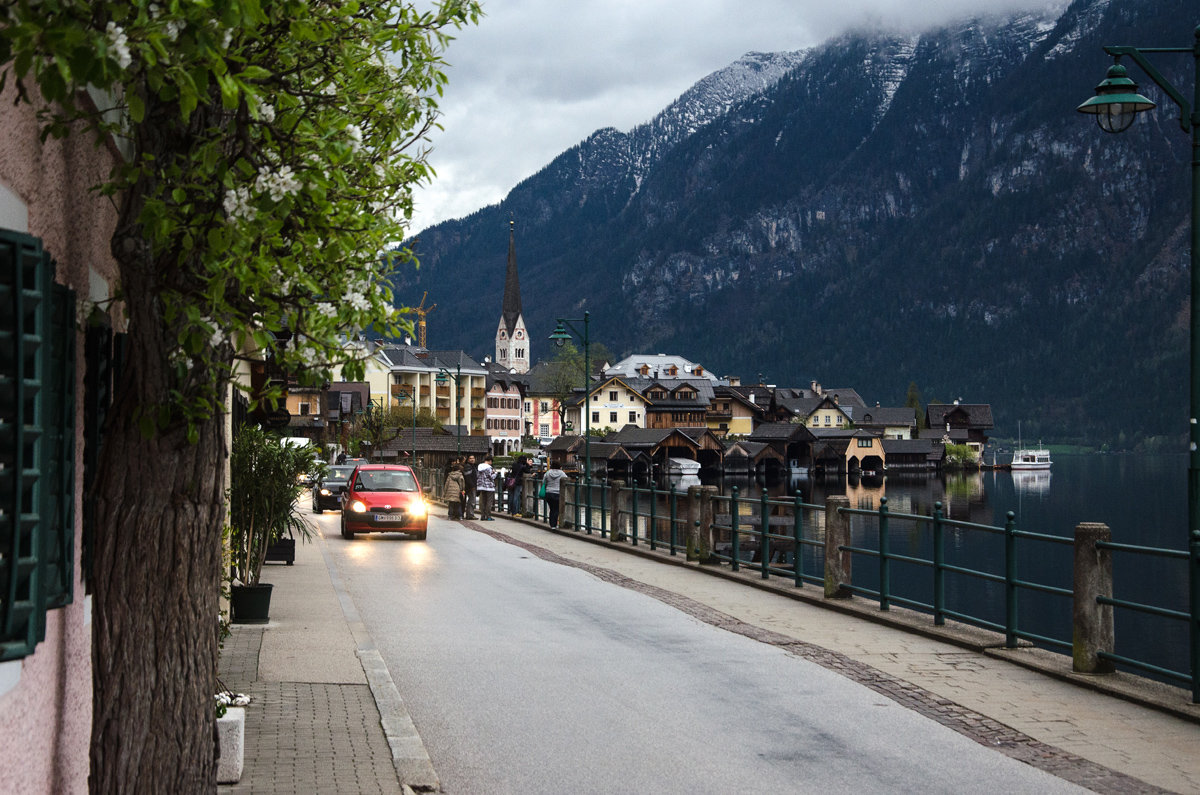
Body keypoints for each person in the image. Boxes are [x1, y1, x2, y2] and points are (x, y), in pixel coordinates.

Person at [542, 462, 567, 529]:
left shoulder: (548, 473)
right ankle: (554, 525)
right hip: (557, 493)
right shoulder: (562, 473)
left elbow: (543, 481)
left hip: (548, 492)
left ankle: (552, 524)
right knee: (556, 509)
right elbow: (566, 480)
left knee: (552, 508)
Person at [476, 454, 497, 520]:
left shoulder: (479, 467)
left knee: (483, 501)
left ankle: (483, 516)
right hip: (489, 486)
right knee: (489, 502)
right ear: (490, 461)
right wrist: (495, 473)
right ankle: (488, 516)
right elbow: (491, 477)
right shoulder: (489, 468)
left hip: (481, 486)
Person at [462, 454, 478, 520]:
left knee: (471, 500)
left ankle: (470, 514)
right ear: (468, 460)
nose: (472, 459)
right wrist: (472, 485)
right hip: (470, 486)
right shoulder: (468, 466)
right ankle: (470, 515)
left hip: (472, 485)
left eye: (473, 458)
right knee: (472, 500)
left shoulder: (473, 466)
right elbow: (467, 477)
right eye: (470, 458)